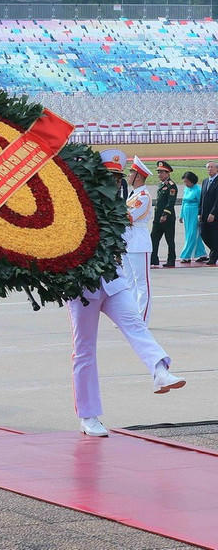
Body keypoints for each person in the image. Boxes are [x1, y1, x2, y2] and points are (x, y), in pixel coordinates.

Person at [70, 149, 186, 437]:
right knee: (84, 351)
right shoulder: (79, 203)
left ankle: (160, 370)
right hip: (83, 286)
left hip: (114, 279)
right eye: (109, 176)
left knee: (135, 323)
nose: (114, 181)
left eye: (117, 177)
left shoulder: (119, 203)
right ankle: (88, 415)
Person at [124, 157, 153, 322]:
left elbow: (129, 216)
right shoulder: (134, 194)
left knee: (142, 283)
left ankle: (142, 318)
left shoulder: (143, 196)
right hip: (128, 240)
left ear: (139, 176)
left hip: (139, 241)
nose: (129, 175)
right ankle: (132, 315)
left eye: (131, 172)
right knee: (130, 282)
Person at [150, 160, 177, 268]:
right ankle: (153, 259)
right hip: (157, 218)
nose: (159, 174)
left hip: (167, 218)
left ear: (167, 173)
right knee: (153, 239)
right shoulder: (161, 185)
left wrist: (165, 215)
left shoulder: (172, 186)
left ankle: (171, 260)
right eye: (158, 172)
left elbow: (171, 202)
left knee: (169, 240)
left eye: (162, 172)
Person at [178, 171, 208, 263]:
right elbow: (183, 202)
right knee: (191, 234)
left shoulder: (198, 190)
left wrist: (200, 215)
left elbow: (201, 204)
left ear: (192, 181)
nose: (185, 184)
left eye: (187, 182)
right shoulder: (186, 189)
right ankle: (202, 254)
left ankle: (186, 256)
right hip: (187, 214)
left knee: (192, 234)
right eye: (184, 182)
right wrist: (181, 215)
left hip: (194, 213)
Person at [200, 161, 218, 265]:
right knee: (203, 233)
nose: (210, 169)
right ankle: (215, 251)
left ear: (217, 169)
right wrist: (199, 212)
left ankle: (213, 257)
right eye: (208, 167)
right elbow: (202, 198)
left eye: (212, 167)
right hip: (204, 213)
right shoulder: (205, 181)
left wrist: (213, 213)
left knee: (214, 235)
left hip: (214, 215)